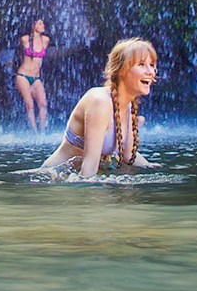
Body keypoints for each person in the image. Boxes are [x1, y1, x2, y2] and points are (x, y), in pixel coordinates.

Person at [39, 37, 157, 177]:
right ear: (121, 70)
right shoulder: (100, 101)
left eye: (152, 64)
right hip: (53, 179)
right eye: (142, 64)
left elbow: (128, 157)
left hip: (73, 178)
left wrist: (157, 170)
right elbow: (89, 166)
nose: (151, 71)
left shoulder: (128, 105)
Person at [13, 18, 52, 133]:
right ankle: (34, 132)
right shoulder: (25, 39)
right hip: (23, 76)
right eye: (40, 23)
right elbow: (19, 53)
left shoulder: (45, 40)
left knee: (43, 103)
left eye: (43, 23)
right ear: (33, 25)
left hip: (36, 77)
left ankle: (42, 133)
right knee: (29, 104)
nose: (43, 25)